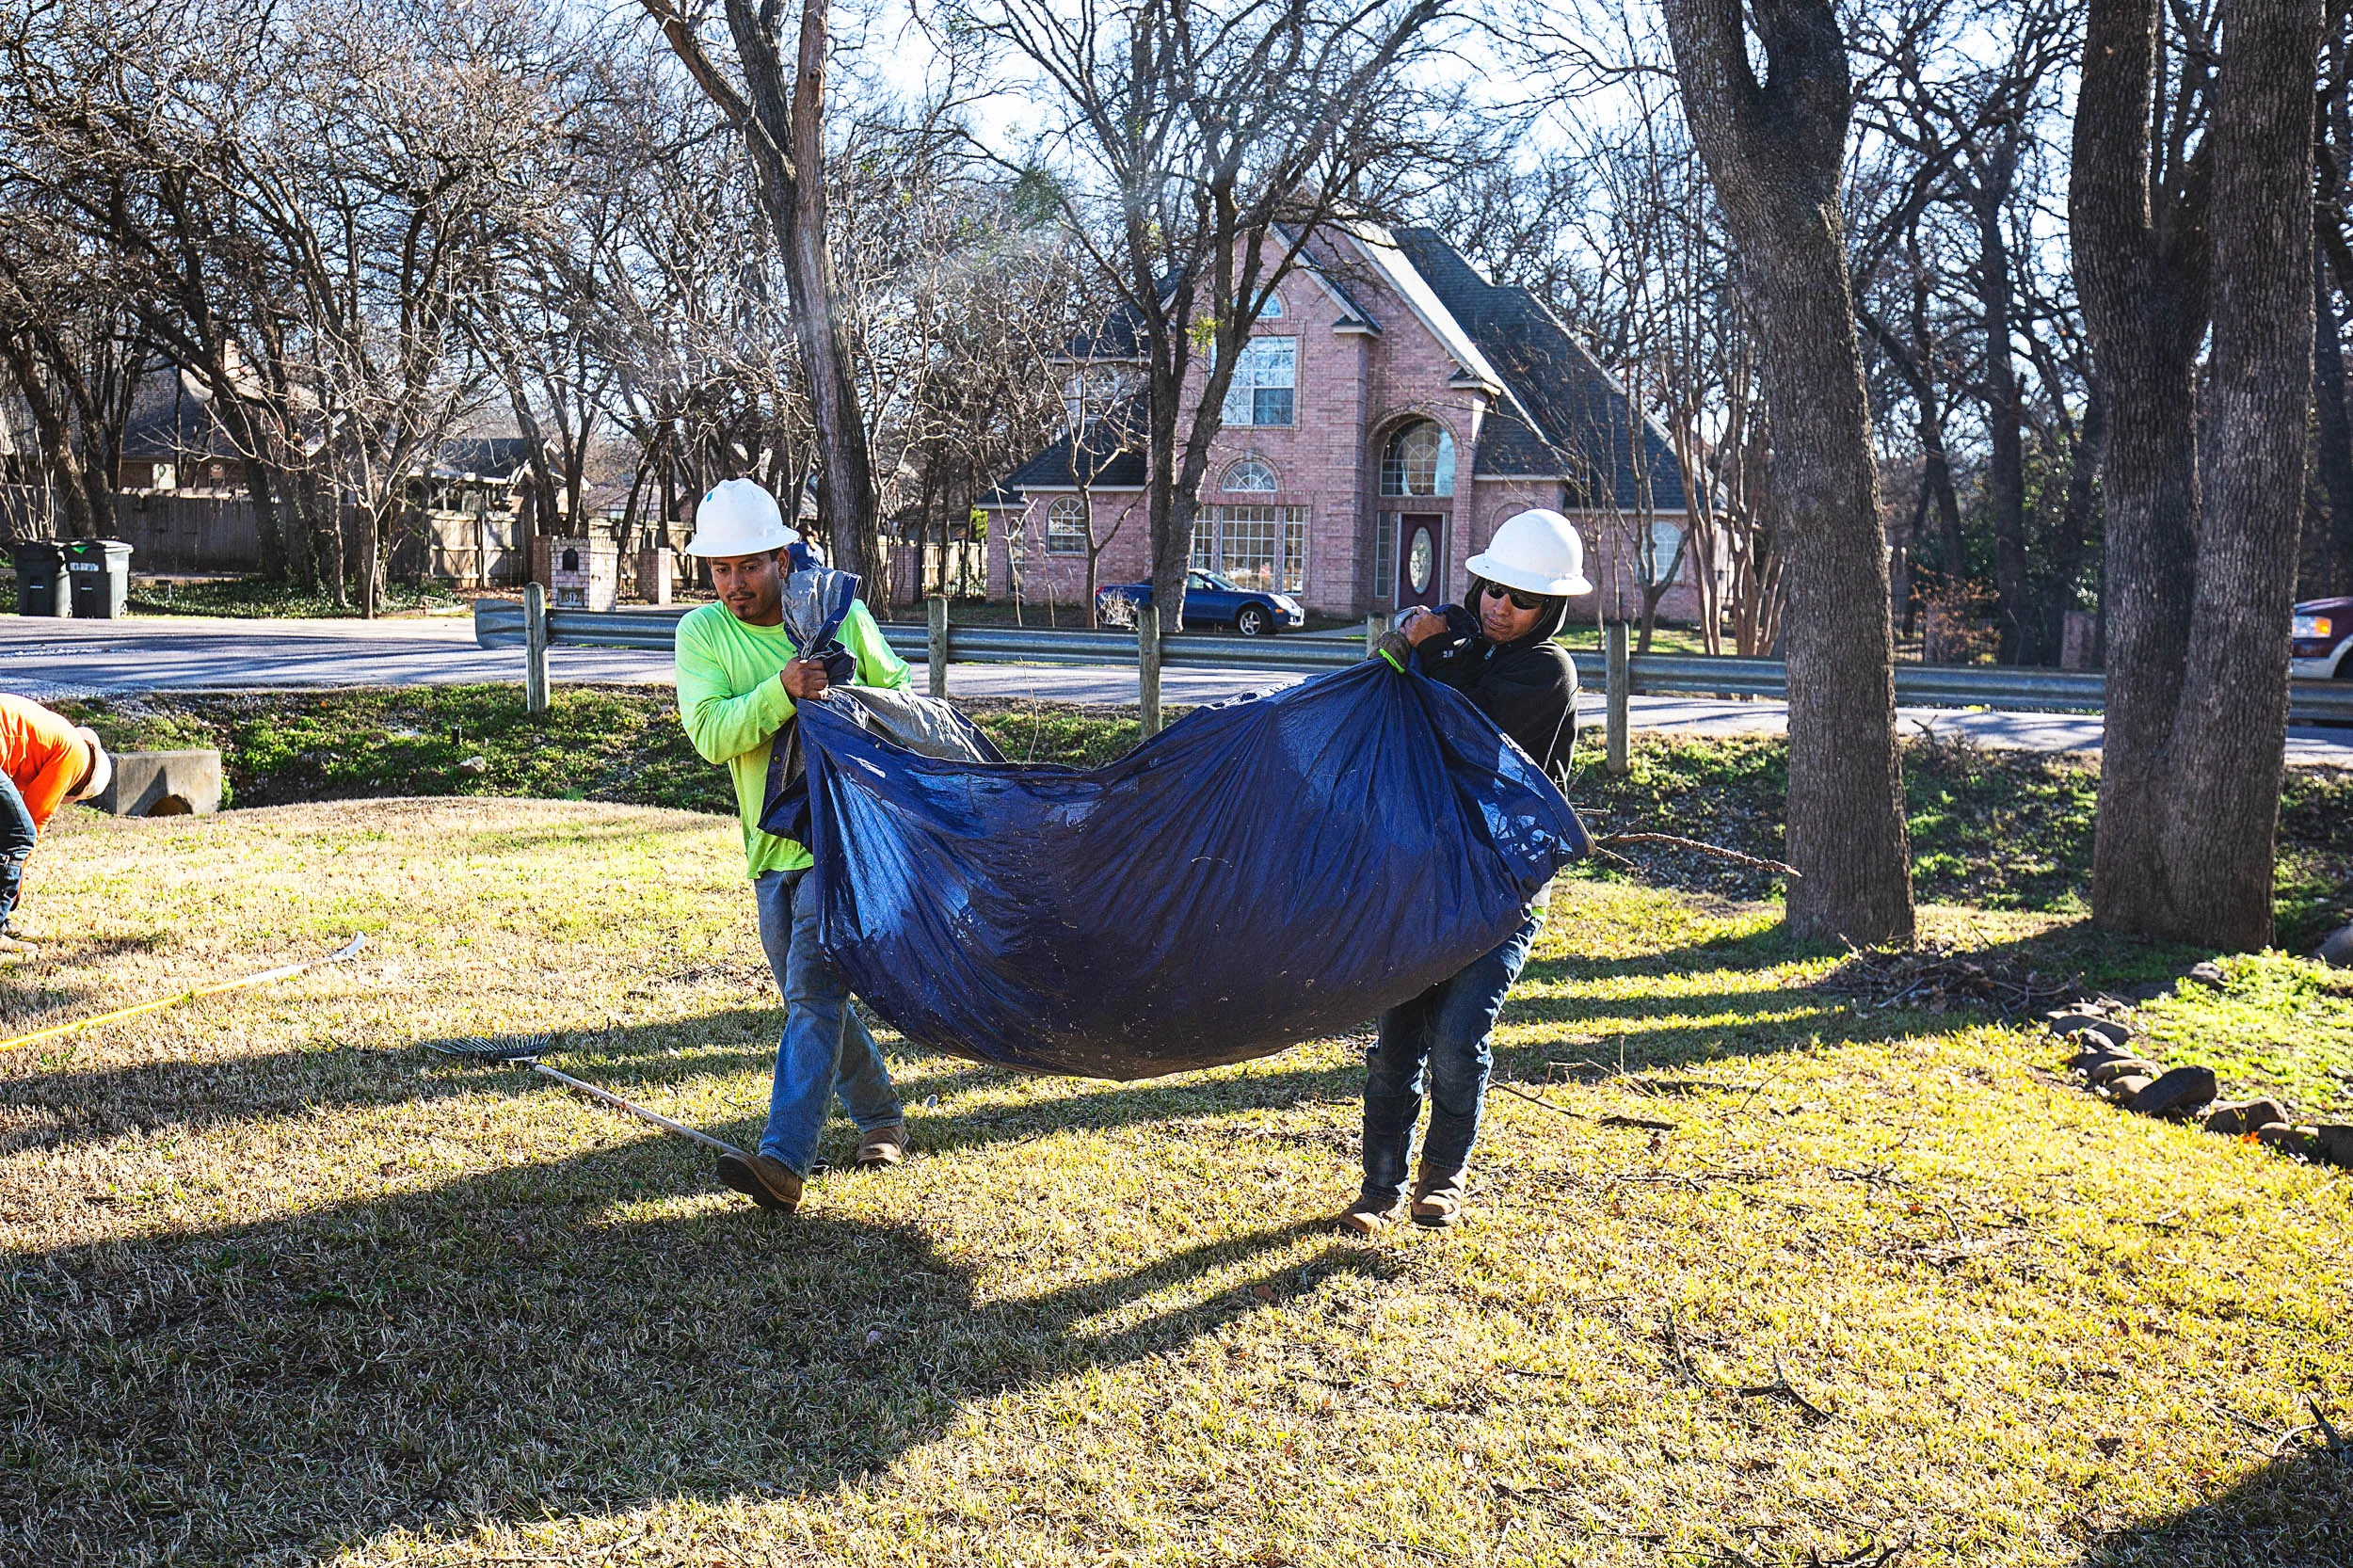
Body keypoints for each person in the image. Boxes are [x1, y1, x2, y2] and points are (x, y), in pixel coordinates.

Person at [1340, 508, 1590, 1233]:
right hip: (1420, 879)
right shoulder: (1453, 640)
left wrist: (1426, 645)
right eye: (1492, 590)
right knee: (1397, 1041)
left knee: (1457, 1039)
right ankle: (1378, 1190)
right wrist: (1400, 643)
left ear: (1552, 609)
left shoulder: (1547, 670)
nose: (1500, 607)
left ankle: (1442, 1180)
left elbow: (1461, 726)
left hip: (1501, 887)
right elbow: (1379, 700)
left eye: (1522, 599)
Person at [673, 479, 913, 1213]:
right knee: (812, 1000)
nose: (735, 584)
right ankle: (881, 1120)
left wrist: (842, 701)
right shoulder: (702, 634)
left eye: (749, 565)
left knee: (811, 990)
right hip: (768, 851)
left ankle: (783, 1161)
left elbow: (902, 695)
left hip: (840, 841)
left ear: (782, 556)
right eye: (720, 569)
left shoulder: (836, 616)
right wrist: (783, 691)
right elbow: (712, 734)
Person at [1, 694, 114, 959]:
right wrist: (16, 886)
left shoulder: (58, 735)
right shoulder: (75, 758)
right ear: (80, 788)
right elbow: (33, 820)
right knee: (21, 836)